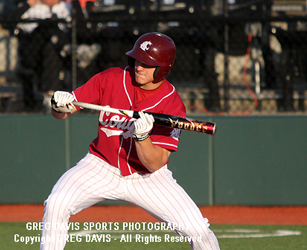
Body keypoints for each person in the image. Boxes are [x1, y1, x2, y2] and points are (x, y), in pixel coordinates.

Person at [41, 32, 221, 250]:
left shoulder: (172, 105)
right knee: (56, 204)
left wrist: (143, 137)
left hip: (148, 178)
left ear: (163, 68)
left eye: (147, 63)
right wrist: (58, 106)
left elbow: (155, 163)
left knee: (199, 231)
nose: (139, 66)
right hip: (100, 166)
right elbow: (63, 113)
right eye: (137, 59)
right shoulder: (111, 78)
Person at [2, 0, 72, 111]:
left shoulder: (67, 7)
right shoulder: (29, 7)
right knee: (47, 27)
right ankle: (62, 47)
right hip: (34, 51)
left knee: (51, 47)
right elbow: (6, 23)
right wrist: (28, 4)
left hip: (57, 52)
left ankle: (50, 96)